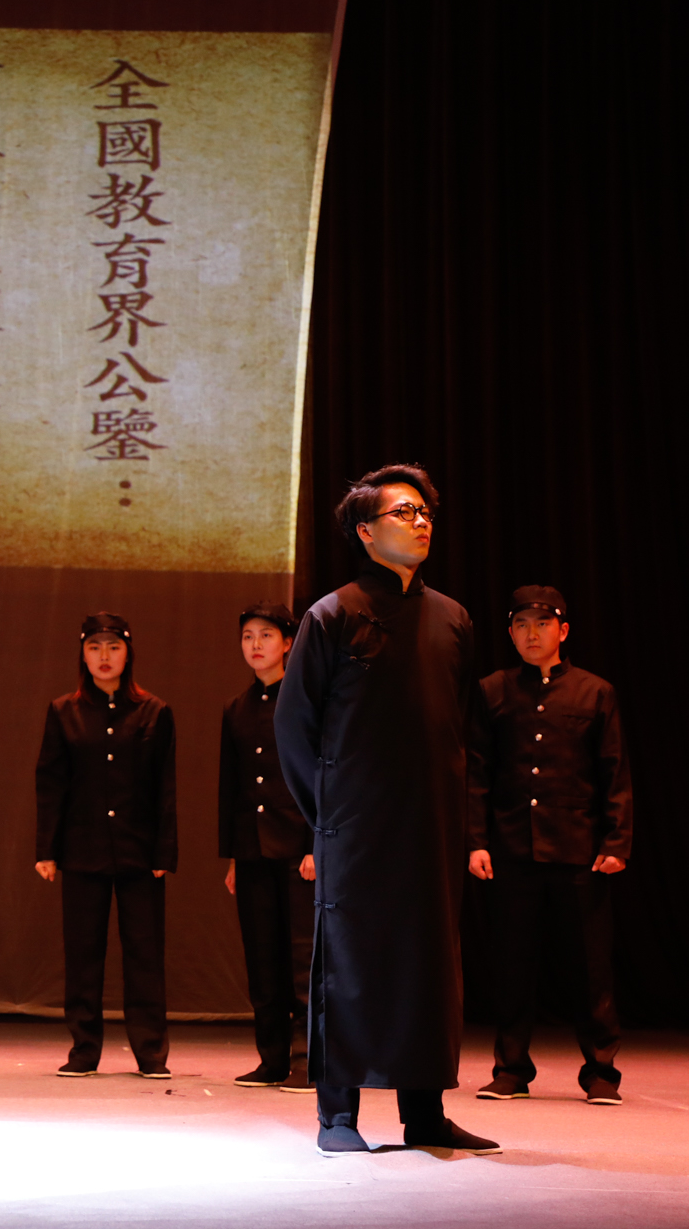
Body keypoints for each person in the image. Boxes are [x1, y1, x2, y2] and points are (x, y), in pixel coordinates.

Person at [274, 463, 498, 1157]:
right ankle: (337, 1114)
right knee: (350, 963)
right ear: (366, 532)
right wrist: (327, 815)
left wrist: (461, 818)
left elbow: (461, 728)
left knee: (427, 964)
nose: (421, 521)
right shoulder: (333, 614)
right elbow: (294, 728)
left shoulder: (453, 618)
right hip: (354, 825)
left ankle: (424, 1113)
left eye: (425, 511)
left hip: (430, 824)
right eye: (404, 512)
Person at [468, 585, 633, 1105]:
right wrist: (476, 841)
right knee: (512, 964)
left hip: (579, 850)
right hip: (512, 848)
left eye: (542, 624)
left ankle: (601, 1071)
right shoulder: (492, 691)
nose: (531, 634)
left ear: (563, 630)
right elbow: (477, 773)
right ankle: (511, 1069)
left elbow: (614, 772)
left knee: (590, 966)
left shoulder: (594, 692)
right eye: (521, 624)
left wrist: (617, 840)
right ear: (510, 632)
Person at [34, 613, 178, 1081]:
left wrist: (164, 853)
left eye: (113, 647)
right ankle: (83, 1049)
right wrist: (47, 849)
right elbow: (51, 783)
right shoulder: (64, 711)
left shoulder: (154, 711)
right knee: (83, 953)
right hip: (82, 849)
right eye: (94, 647)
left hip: (140, 853)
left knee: (144, 954)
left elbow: (165, 787)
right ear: (82, 653)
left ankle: (151, 1053)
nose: (104, 656)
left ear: (128, 653)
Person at [218, 602, 314, 1090]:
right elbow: (231, 788)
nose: (255, 645)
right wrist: (234, 855)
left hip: (299, 850)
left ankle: (307, 1059)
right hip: (254, 850)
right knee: (262, 956)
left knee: (302, 958)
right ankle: (271, 1058)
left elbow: (322, 777)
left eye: (266, 635)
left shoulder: (308, 700)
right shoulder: (236, 708)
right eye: (247, 637)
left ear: (288, 643)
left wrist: (318, 845)